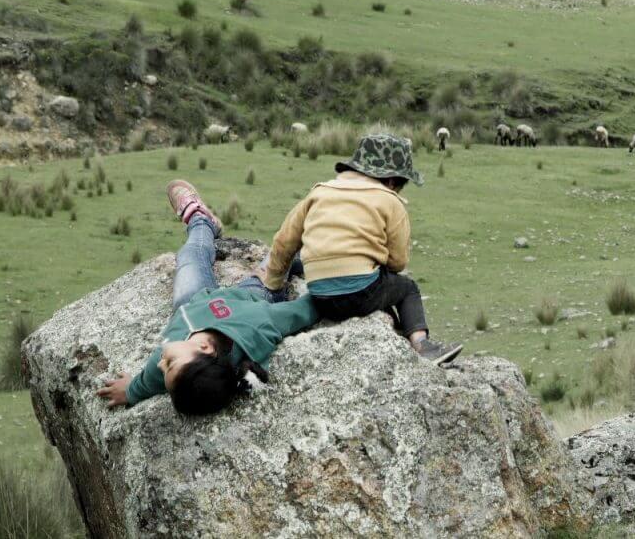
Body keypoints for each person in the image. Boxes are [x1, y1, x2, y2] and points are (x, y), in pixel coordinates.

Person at [96, 180, 318, 414]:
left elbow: (149, 380)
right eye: (169, 364)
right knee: (283, 253)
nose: (162, 363)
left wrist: (131, 391)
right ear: (204, 347)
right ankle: (333, 240)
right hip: (252, 294)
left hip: (192, 303)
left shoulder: (172, 361)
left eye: (166, 369)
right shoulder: (255, 325)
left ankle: (200, 220)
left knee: (190, 255)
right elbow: (301, 312)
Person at [263, 132, 461, 364]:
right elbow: (398, 262)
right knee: (407, 288)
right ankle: (422, 345)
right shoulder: (390, 200)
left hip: (318, 293)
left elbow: (284, 242)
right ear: (391, 181)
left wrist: (274, 285)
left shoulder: (319, 192)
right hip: (359, 295)